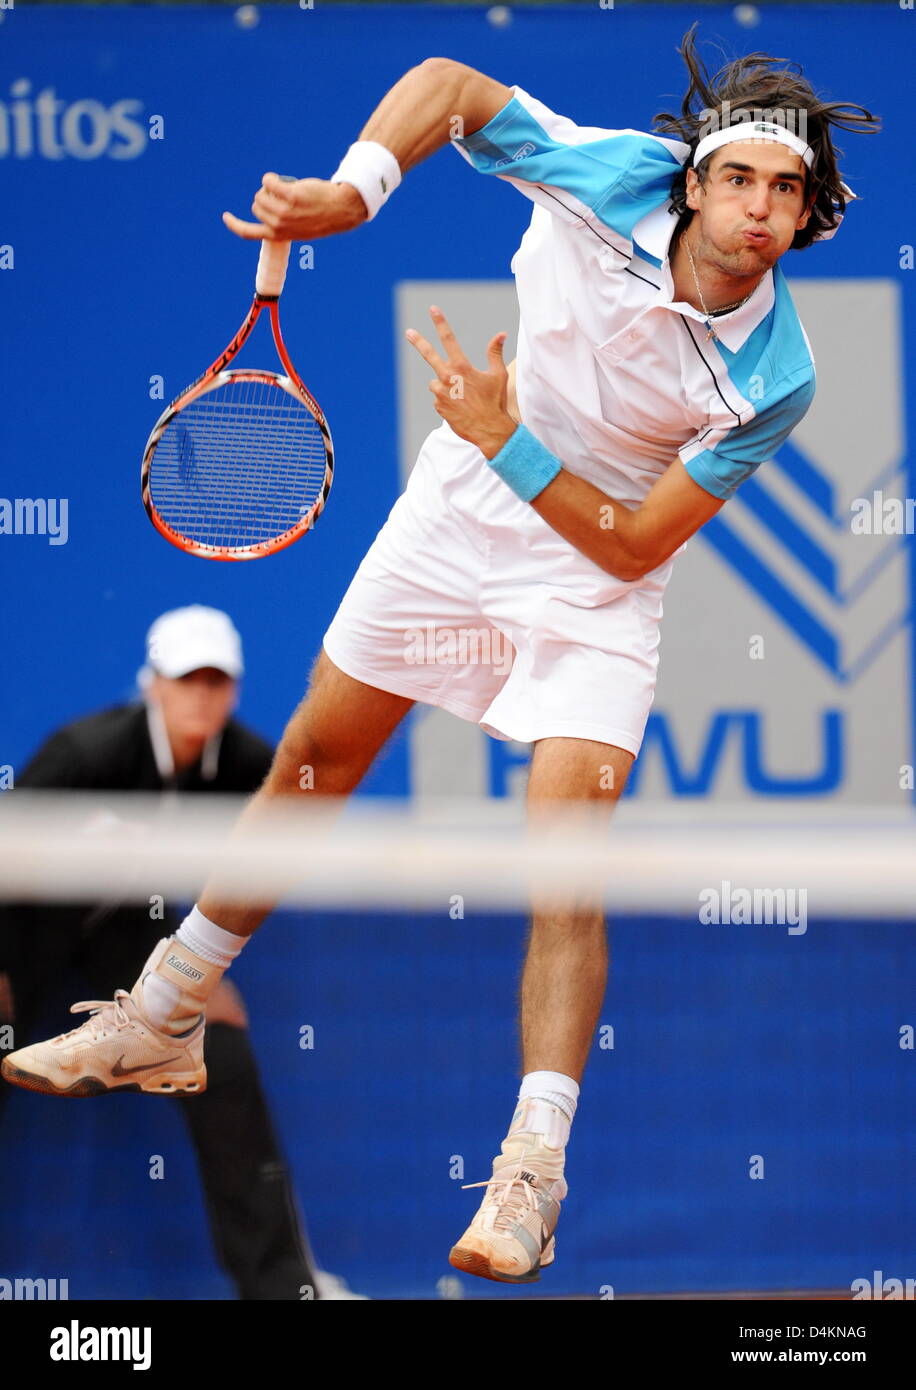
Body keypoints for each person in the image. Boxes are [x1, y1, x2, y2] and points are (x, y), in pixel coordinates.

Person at [3, 30, 879, 1284]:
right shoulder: (602, 170)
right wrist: (354, 192)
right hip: (464, 510)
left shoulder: (775, 374)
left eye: (786, 192)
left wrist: (504, 434)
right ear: (692, 179)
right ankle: (163, 1014)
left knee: (562, 861)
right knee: (315, 757)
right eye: (739, 178)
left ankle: (530, 1171)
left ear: (805, 215)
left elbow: (632, 547)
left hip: (591, 563)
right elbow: (454, 86)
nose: (759, 208)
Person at [0, 606, 356, 1300]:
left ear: (234, 691)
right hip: (23, 933)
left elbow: (292, 831)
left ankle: (284, 1286)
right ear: (154, 684)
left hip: (131, 940)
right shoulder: (84, 754)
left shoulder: (250, 767)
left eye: (216, 681)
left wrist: (200, 976)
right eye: (186, 678)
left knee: (219, 1054)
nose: (201, 694)